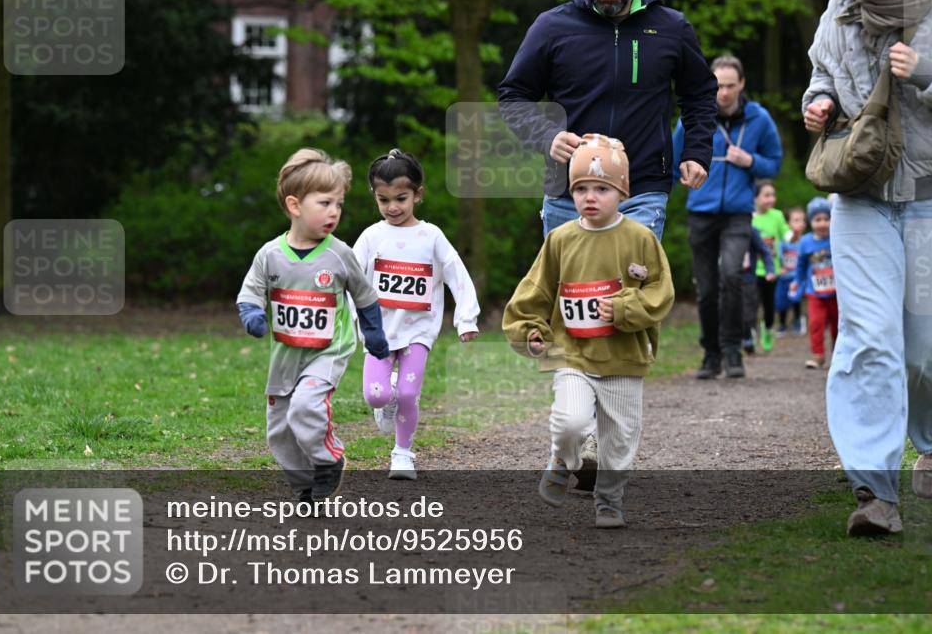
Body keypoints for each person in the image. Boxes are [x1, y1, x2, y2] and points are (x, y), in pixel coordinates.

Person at [803, 0, 932, 535]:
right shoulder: (841, 4)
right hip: (862, 194)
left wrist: (928, 72)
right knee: (868, 335)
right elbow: (822, 74)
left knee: (920, 347)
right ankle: (875, 491)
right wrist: (819, 103)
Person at [502, 134, 674, 529]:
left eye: (601, 189)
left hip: (624, 357)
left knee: (619, 438)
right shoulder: (561, 239)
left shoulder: (640, 238)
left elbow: (661, 292)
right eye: (580, 189)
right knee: (570, 422)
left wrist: (624, 308)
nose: (589, 197)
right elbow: (534, 292)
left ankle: (609, 501)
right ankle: (564, 458)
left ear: (623, 192)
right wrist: (530, 329)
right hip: (571, 353)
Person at [498, 0, 718, 240]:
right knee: (570, 272)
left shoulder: (672, 28)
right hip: (568, 193)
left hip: (641, 191)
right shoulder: (551, 27)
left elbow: (700, 94)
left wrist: (696, 151)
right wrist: (546, 136)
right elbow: (513, 95)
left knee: (630, 270)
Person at [236, 148, 390, 506]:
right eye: (324, 203)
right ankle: (305, 486)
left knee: (305, 406)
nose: (334, 211)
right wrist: (252, 315)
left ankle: (328, 459)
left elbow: (365, 296)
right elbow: (250, 292)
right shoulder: (270, 254)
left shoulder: (339, 254)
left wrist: (374, 335)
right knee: (279, 429)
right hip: (285, 355)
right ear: (295, 205)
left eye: (338, 204)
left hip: (328, 350)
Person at [353, 149, 480, 480]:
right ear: (374, 196)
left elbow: (456, 273)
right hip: (379, 331)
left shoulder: (431, 236)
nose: (392, 207)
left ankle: (403, 453)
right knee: (376, 395)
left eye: (401, 198)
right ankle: (388, 398)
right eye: (383, 200)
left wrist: (466, 318)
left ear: (417, 195)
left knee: (409, 394)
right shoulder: (371, 237)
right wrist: (351, 317)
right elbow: (352, 278)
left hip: (419, 331)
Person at [673, 55, 784, 379]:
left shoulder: (759, 119)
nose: (723, 92)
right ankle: (711, 353)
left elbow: (774, 163)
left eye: (730, 86)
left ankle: (734, 348)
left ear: (742, 84)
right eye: (718, 86)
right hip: (701, 211)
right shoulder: (694, 115)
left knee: (732, 276)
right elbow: (672, 158)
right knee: (707, 289)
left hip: (738, 213)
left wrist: (750, 161)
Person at [789, 198, 837, 369]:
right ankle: (818, 355)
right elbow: (801, 264)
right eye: (818, 220)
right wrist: (797, 281)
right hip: (815, 292)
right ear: (811, 222)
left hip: (837, 293)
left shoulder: (836, 237)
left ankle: (838, 355)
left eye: (826, 219)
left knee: (838, 326)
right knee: (816, 323)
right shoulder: (806, 242)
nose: (822, 223)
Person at [751, 180, 788, 352]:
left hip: (772, 270)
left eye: (773, 195)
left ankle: (767, 328)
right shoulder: (748, 217)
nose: (771, 199)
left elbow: (785, 233)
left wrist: (793, 235)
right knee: (751, 304)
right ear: (755, 197)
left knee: (769, 303)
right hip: (751, 270)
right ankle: (750, 332)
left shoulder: (777, 215)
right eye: (766, 195)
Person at [739, 227, 776, 355]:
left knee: (748, 311)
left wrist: (770, 270)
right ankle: (737, 340)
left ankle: (748, 335)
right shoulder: (722, 227)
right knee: (730, 310)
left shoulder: (750, 230)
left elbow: (764, 251)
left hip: (747, 279)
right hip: (727, 279)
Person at [775, 206, 807, 337]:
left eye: (802, 220)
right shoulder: (783, 241)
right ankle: (782, 324)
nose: (800, 223)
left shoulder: (805, 241)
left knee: (796, 300)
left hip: (797, 278)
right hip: (783, 277)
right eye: (796, 220)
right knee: (781, 302)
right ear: (787, 223)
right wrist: (779, 267)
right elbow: (777, 255)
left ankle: (798, 321)